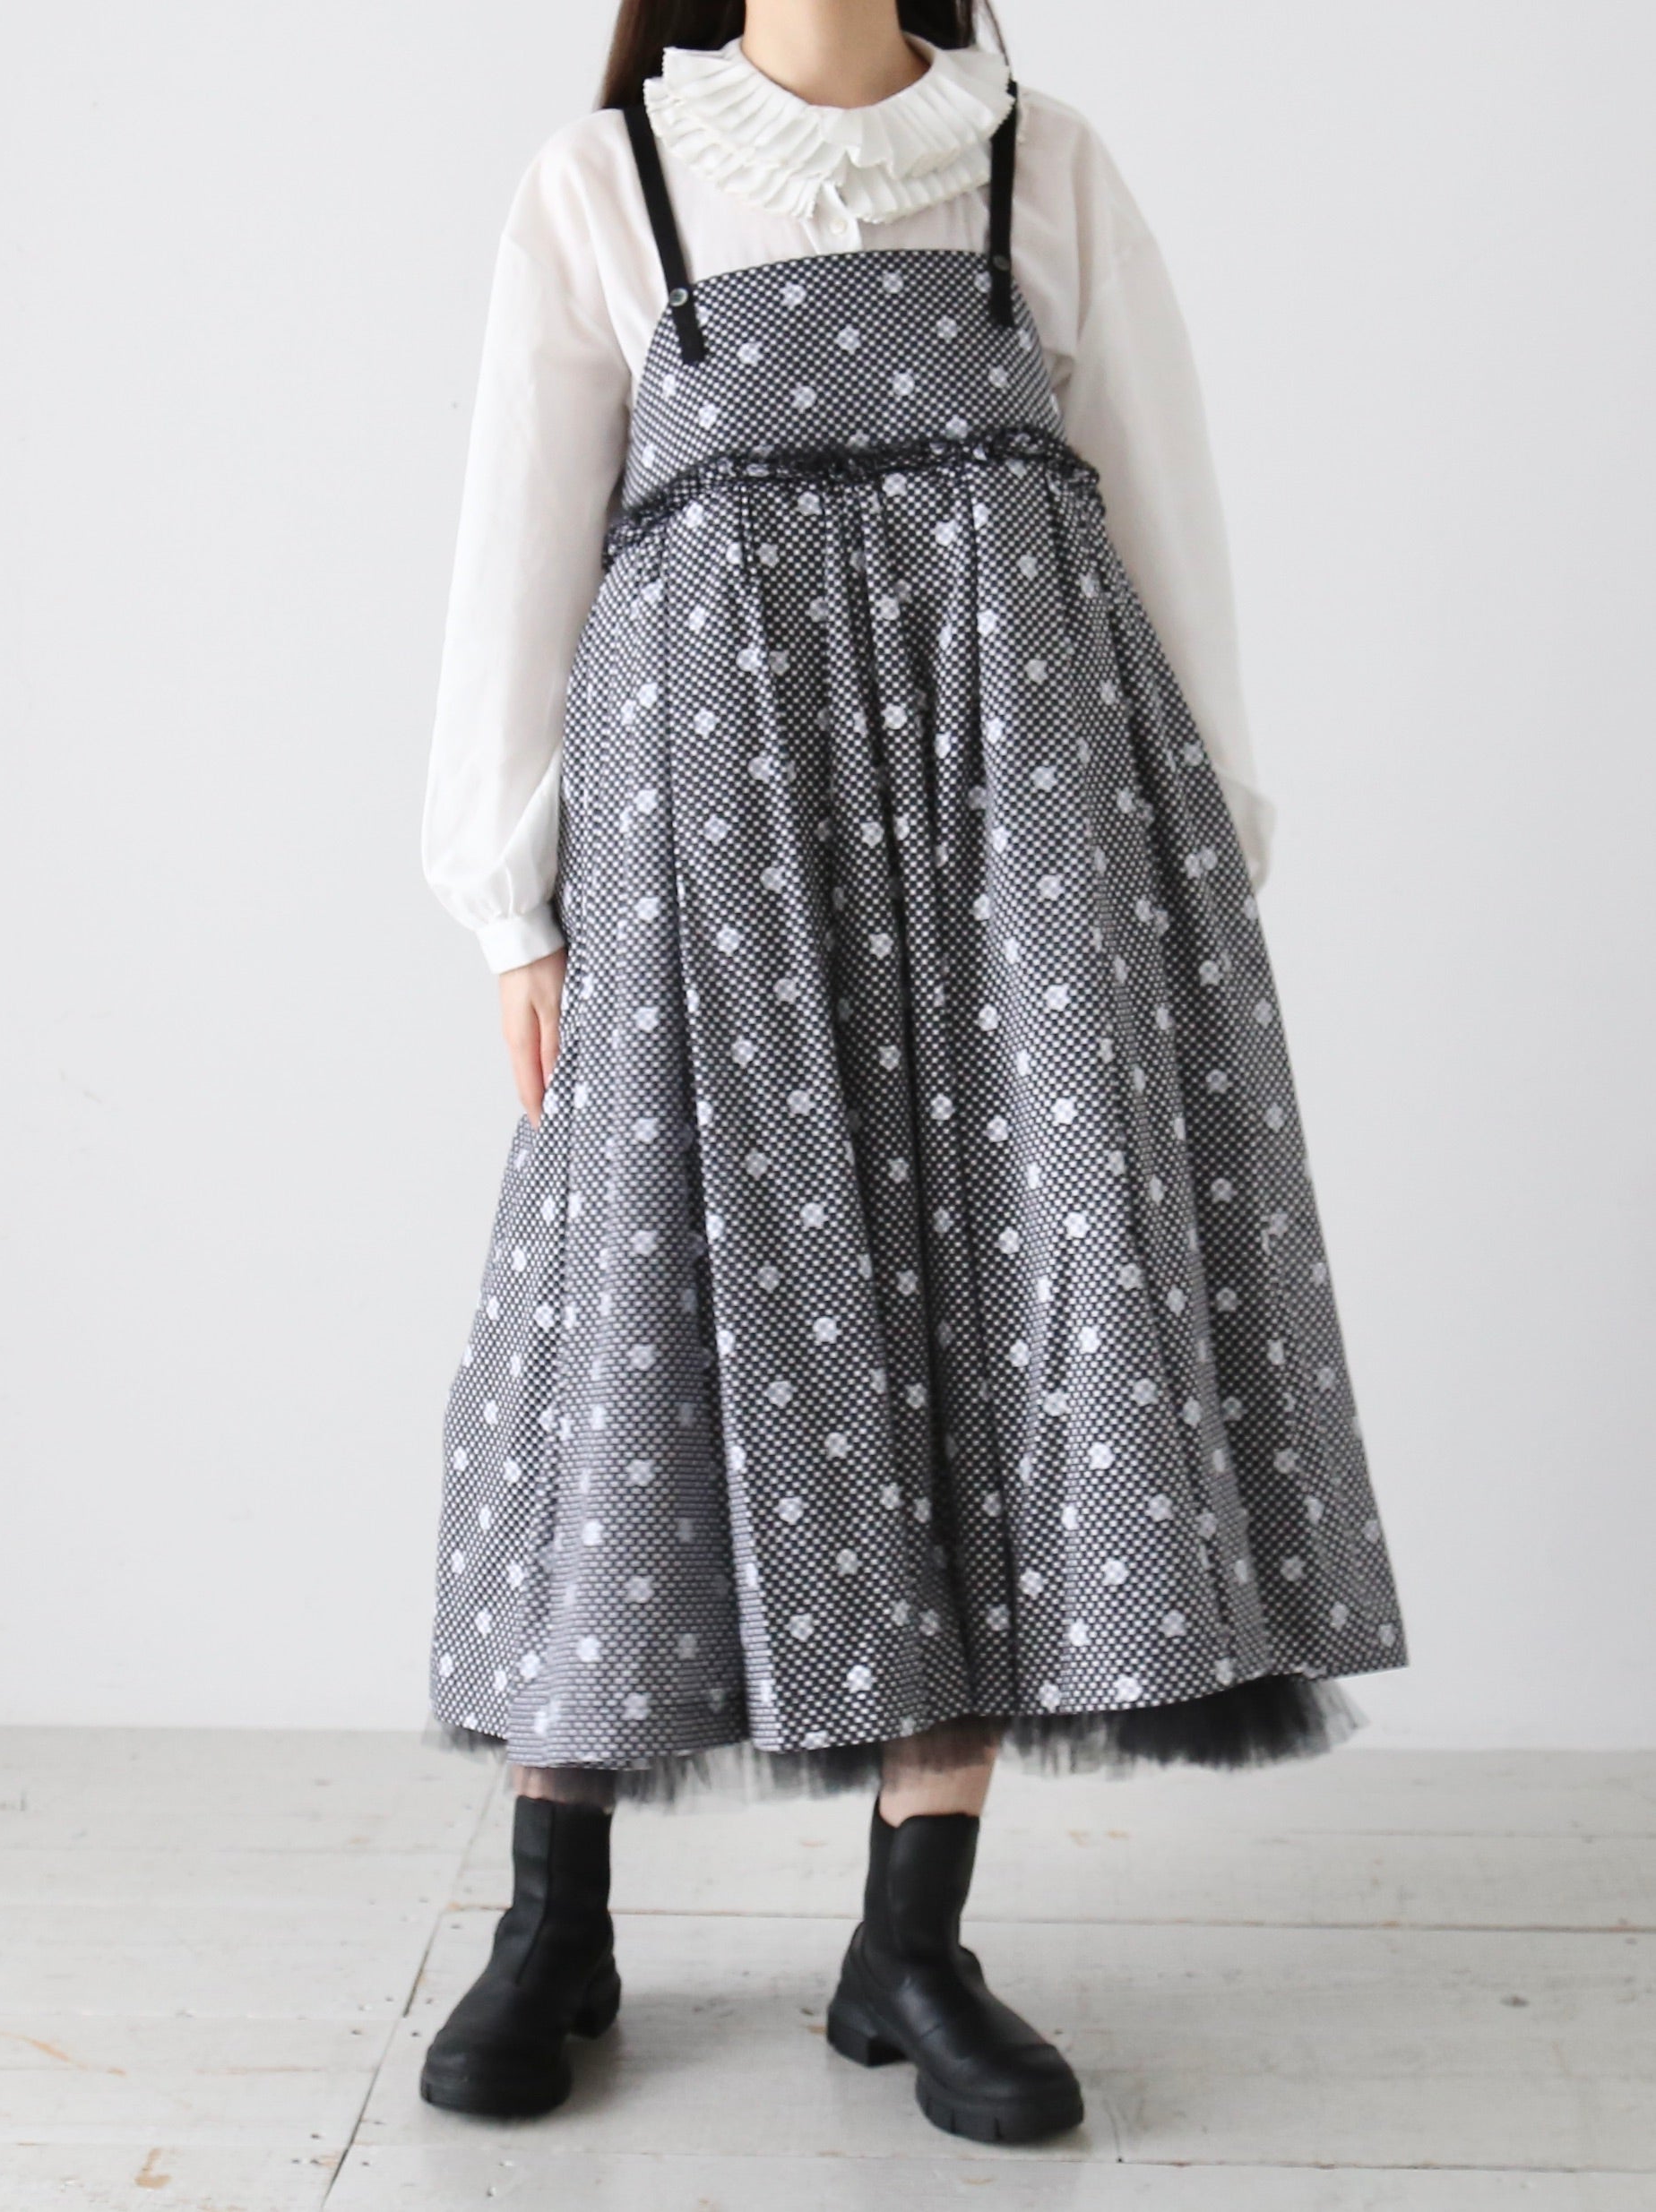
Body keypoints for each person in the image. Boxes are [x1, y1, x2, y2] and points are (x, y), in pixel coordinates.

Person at [416, 0, 1409, 2147]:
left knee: (992, 1327)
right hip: (710, 837)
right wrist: (512, 902)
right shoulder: (608, 185)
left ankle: (910, 1935)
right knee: (639, 1316)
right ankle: (551, 1915)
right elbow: (518, 550)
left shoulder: (1039, 166)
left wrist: (1202, 839)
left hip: (1017, 832)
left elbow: (1161, 507)